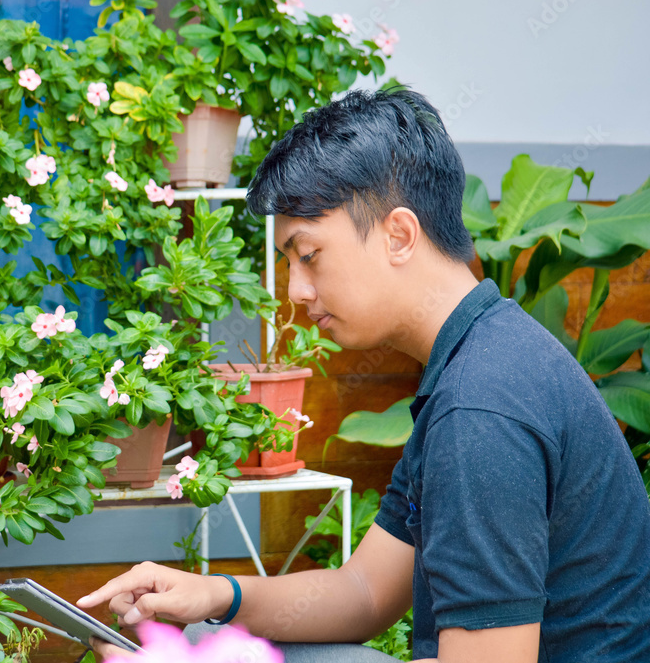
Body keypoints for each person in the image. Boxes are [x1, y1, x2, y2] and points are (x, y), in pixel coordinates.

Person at [75, 88, 650, 663]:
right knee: (201, 637)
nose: (297, 292)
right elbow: (367, 591)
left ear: (399, 235)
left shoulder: (482, 405)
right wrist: (213, 595)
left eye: (309, 255)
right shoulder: (476, 357)